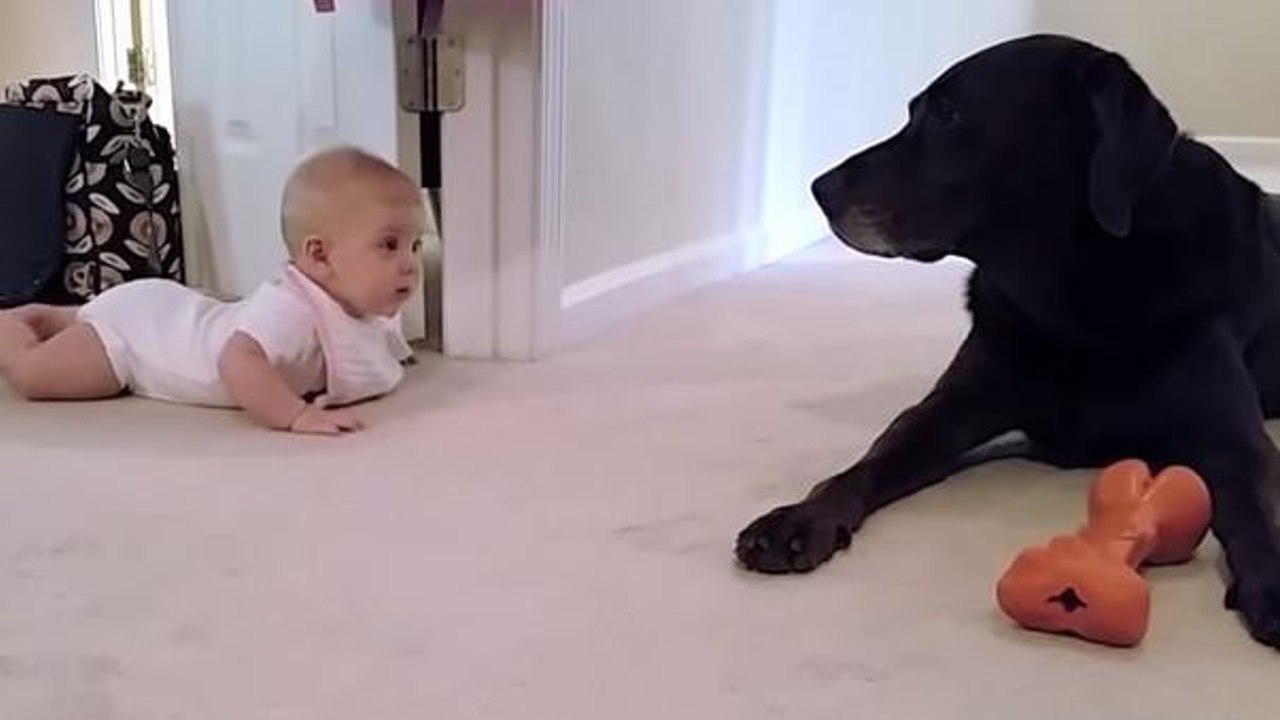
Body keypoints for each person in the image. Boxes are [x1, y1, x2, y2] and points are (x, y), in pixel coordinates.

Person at [0, 145, 425, 435]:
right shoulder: (291, 309)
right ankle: (15, 325)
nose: (409, 262)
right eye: (389, 245)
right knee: (35, 376)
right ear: (319, 256)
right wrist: (294, 415)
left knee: (85, 317)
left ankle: (63, 316)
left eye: (416, 245)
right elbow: (236, 362)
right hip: (139, 340)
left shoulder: (352, 304)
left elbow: (370, 346)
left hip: (164, 306)